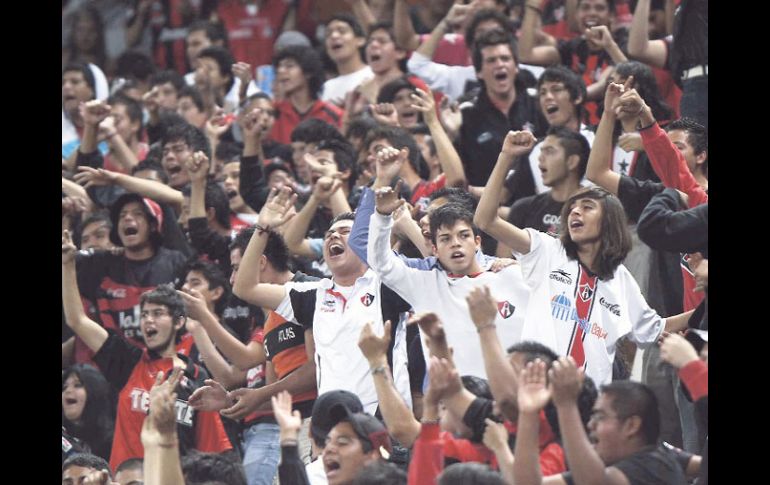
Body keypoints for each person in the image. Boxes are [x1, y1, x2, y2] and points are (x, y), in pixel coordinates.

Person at [474, 130, 693, 385]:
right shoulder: (546, 250)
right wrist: (506, 157)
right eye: (572, 209)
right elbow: (485, 220)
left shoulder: (621, 279)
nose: (575, 212)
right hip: (538, 391)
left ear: (609, 221)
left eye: (587, 207)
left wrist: (700, 312)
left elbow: (655, 328)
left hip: (592, 405)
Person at [233, 189, 412, 415]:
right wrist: (262, 229)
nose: (333, 237)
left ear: (363, 243)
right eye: (329, 234)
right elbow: (244, 287)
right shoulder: (314, 294)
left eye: (345, 232)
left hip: (386, 423)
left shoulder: (387, 284)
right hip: (331, 428)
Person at [63, 232, 233, 470]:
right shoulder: (127, 360)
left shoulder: (197, 377)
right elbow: (77, 320)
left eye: (157, 314)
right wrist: (67, 264)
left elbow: (211, 448)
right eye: (144, 315)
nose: (148, 321)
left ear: (178, 322)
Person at [367, 171, 530, 380]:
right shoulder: (424, 285)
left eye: (463, 235)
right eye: (445, 238)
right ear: (434, 249)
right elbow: (380, 263)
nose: (455, 243)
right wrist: (382, 217)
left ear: (477, 242)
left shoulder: (512, 275)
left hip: (517, 397)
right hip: (456, 404)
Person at [512, 356, 689, 484]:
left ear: (631, 426)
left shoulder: (656, 465)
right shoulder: (602, 468)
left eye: (600, 417)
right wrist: (529, 413)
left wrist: (566, 404)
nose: (591, 425)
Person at [457, 29, 546, 188]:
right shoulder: (465, 113)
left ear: (516, 66)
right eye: (491, 60)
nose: (499, 65)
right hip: (486, 204)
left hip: (536, 201)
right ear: (479, 72)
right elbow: (458, 178)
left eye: (505, 58)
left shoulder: (538, 102)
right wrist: (452, 134)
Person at [268, 46, 344, 145]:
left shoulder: (333, 114)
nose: (281, 71)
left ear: (308, 73)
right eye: (279, 67)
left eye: (289, 66)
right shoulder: (273, 113)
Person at [62, 364, 116, 462]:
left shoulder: (111, 441)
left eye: (77, 385)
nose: (68, 391)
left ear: (94, 392)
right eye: (64, 387)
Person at [321, 14, 374, 107]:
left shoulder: (374, 75)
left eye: (342, 31)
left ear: (360, 40)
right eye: (328, 34)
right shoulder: (325, 88)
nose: (334, 36)